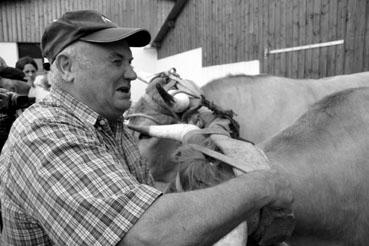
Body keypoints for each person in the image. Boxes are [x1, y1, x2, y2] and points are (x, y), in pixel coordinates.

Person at [0, 10, 292, 245]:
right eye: (117, 61)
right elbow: (147, 235)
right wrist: (262, 184)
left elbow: (145, 201)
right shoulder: (42, 135)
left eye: (129, 61)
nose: (131, 73)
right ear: (65, 67)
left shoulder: (112, 126)